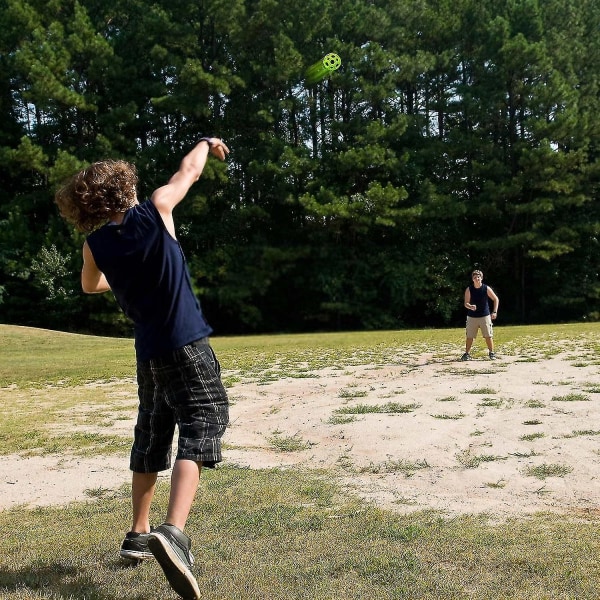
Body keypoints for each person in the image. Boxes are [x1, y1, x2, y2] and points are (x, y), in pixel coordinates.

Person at [55, 137, 230, 600]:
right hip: (187, 345)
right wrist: (205, 144)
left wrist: (123, 273)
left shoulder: (95, 244)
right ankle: (173, 532)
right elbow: (187, 172)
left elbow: (90, 287)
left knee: (152, 431)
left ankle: (137, 533)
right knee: (203, 421)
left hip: (148, 352)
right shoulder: (157, 209)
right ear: (126, 187)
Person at [461, 269, 499, 361]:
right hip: (472, 317)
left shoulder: (486, 288)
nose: (477, 279)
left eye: (478, 277)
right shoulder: (469, 289)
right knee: (470, 336)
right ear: (472, 279)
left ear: (481, 278)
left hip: (484, 316)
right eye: (475, 277)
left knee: (488, 335)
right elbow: (466, 303)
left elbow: (496, 299)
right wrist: (470, 306)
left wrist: (494, 312)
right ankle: (467, 354)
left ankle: (491, 353)